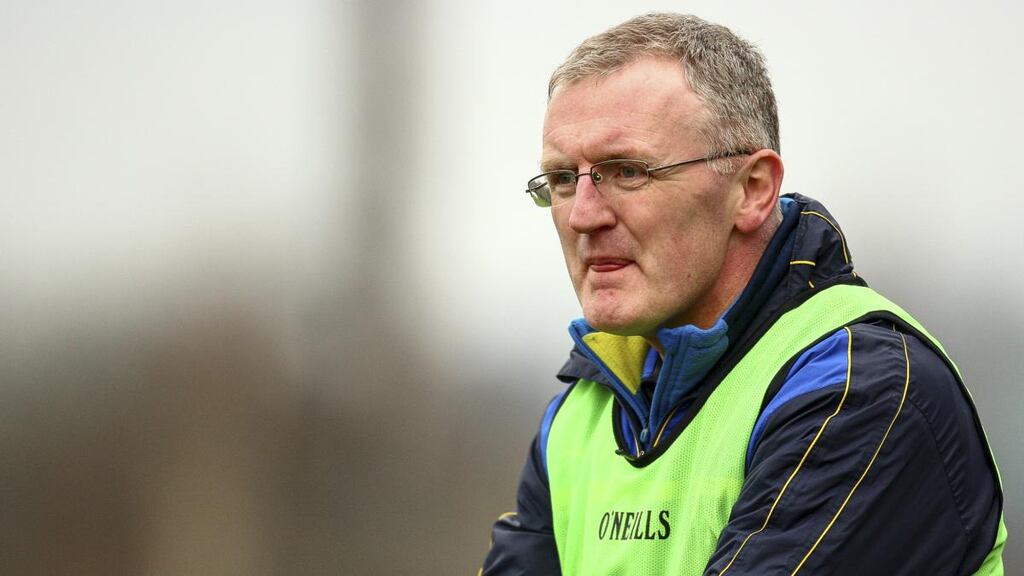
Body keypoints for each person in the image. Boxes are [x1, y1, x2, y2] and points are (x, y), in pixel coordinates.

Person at [479, 12, 1006, 576]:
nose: (582, 215)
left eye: (627, 171)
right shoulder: (578, 417)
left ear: (753, 190)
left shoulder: (862, 390)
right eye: (562, 179)